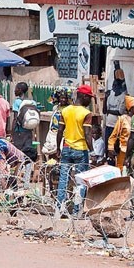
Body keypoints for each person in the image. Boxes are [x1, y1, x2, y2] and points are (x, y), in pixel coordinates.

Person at [56, 84, 94, 216]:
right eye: (89, 98)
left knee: (63, 179)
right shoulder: (86, 113)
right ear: (83, 96)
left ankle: (59, 208)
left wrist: (58, 148)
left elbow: (60, 131)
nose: (90, 101)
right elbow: (87, 134)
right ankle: (77, 210)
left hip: (66, 148)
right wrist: (92, 151)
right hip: (81, 150)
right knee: (80, 181)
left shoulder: (65, 110)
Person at [42, 87, 72, 159]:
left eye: (65, 98)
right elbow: (50, 100)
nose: (63, 100)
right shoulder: (56, 108)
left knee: (61, 152)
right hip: (53, 133)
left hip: (63, 134)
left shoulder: (69, 109)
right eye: (61, 97)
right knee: (49, 151)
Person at [107, 95, 134, 169]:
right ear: (130, 108)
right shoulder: (122, 119)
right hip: (123, 151)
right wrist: (110, 148)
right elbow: (113, 135)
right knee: (122, 173)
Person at [11, 82, 36, 162]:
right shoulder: (32, 102)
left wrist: (12, 132)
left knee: (18, 153)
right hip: (29, 131)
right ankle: (27, 172)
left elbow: (15, 118)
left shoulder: (17, 102)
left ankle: (20, 171)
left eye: (16, 89)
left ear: (20, 90)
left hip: (19, 131)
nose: (14, 91)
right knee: (28, 153)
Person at [104, 65, 127, 144]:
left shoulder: (123, 97)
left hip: (117, 126)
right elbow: (104, 111)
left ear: (120, 86)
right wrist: (105, 98)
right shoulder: (110, 95)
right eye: (113, 85)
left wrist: (109, 111)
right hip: (108, 125)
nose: (114, 87)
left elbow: (120, 112)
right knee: (107, 144)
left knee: (114, 145)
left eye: (116, 85)